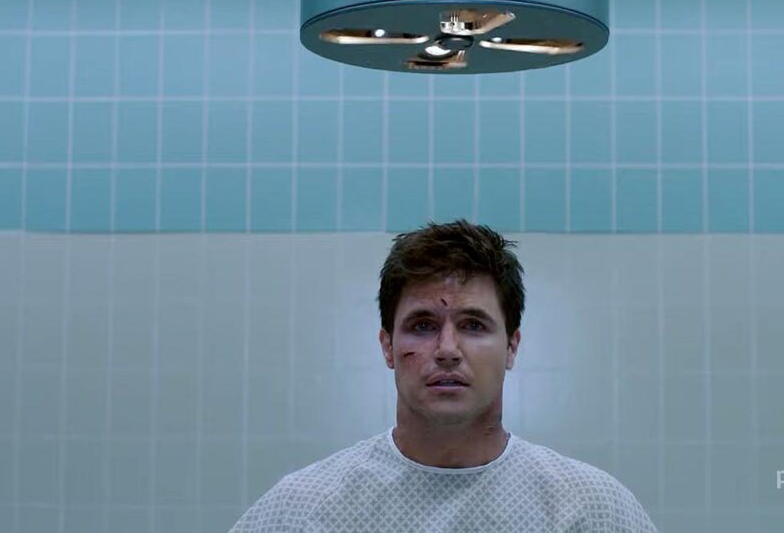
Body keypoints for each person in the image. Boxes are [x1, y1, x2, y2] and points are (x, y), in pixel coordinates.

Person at [229, 219, 657, 532]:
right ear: (387, 346)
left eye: (473, 325)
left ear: (511, 346)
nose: (447, 349)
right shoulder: (302, 511)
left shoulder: (592, 511)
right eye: (423, 325)